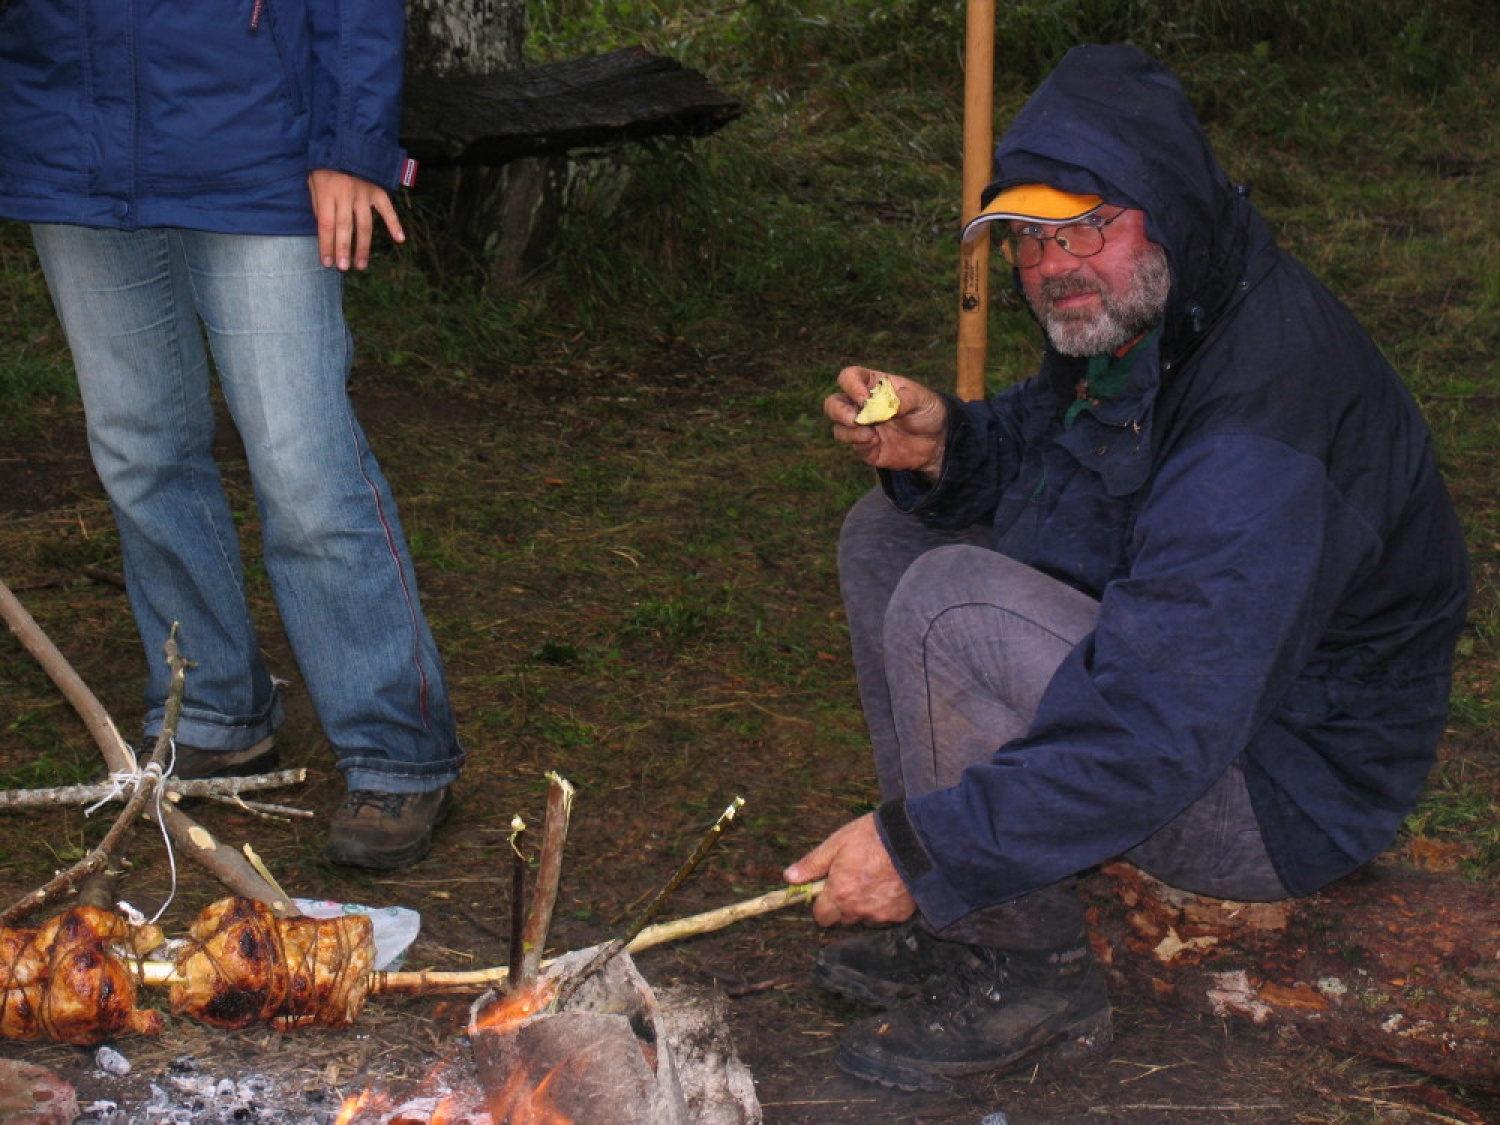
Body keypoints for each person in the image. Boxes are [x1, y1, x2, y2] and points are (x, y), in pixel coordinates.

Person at [784, 43, 1471, 1091]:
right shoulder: (1154, 307)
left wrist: (929, 846)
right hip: (1208, 700)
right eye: (1025, 237)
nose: (1052, 264)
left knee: (947, 603)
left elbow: (1167, 719)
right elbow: (1063, 453)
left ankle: (1024, 966)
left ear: (1166, 202)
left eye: (1085, 225)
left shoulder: (1263, 409)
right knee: (888, 535)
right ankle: (974, 901)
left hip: (1285, 781)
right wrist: (948, 449)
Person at [0, 1, 464, 869]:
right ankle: (213, 711)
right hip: (67, 135)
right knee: (141, 451)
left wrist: (348, 142)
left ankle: (397, 749)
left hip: (260, 138)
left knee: (303, 461)